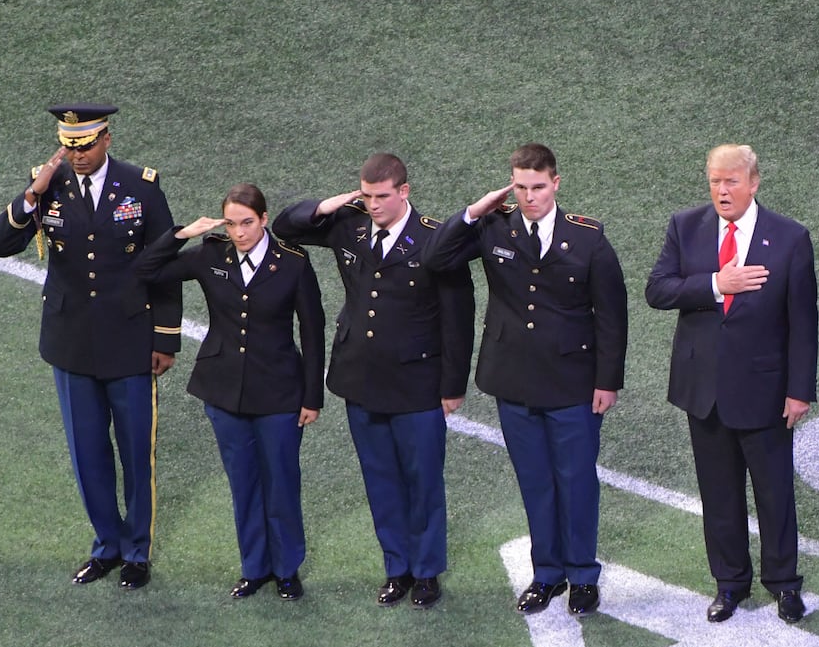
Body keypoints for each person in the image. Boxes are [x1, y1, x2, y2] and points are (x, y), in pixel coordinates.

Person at [424, 144, 628, 616]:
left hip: (572, 383)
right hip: (513, 381)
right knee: (535, 481)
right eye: (520, 187)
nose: (530, 196)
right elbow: (436, 259)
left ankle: (582, 577)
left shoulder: (588, 239)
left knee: (576, 482)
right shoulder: (495, 226)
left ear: (556, 183)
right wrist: (475, 211)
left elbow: (611, 317)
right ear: (510, 186)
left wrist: (607, 381)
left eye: (538, 187)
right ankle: (546, 574)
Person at [0, 103, 182, 590]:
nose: (77, 155)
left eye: (86, 145)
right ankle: (106, 547)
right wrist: (33, 191)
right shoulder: (47, 185)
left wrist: (165, 338)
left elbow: (166, 264)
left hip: (131, 343)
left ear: (107, 140)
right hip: (71, 345)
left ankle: (137, 553)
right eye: (69, 146)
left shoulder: (141, 186)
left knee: (137, 454)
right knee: (88, 453)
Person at [273, 153, 474, 608]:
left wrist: (453, 385)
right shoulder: (350, 224)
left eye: (382, 196)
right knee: (380, 479)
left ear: (404, 191)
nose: (374, 204)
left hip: (417, 381)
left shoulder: (434, 238)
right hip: (360, 375)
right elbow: (285, 228)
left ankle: (426, 573)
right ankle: (396, 569)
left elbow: (459, 318)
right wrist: (328, 206)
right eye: (366, 195)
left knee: (422, 482)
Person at [645, 144, 818, 624]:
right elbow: (657, 290)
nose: (722, 190)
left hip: (765, 391)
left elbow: (803, 323)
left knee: (774, 494)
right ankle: (729, 584)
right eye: (715, 181)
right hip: (704, 391)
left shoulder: (788, 238)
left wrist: (799, 390)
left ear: (754, 182)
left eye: (732, 181)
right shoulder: (686, 227)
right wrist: (718, 284)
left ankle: (784, 585)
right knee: (719, 495)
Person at [137, 184, 325, 600]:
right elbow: (145, 271)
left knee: (281, 482)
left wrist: (313, 397)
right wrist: (181, 234)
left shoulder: (292, 264)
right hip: (223, 392)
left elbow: (313, 332)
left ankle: (287, 569)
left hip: (279, 392)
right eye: (232, 223)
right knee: (243, 483)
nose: (240, 233)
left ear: (262, 219)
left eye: (247, 223)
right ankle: (254, 568)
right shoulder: (211, 254)